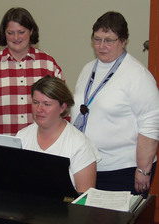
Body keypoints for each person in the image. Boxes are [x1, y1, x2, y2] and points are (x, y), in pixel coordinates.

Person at [71, 11, 159, 196]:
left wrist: (144, 171)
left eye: (109, 40)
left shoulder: (137, 75)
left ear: (123, 41)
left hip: (122, 169)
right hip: (86, 165)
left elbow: (151, 125)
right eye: (97, 39)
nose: (101, 46)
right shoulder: (88, 68)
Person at [0, 7, 63, 136]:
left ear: (31, 31)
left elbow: (62, 110)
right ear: (4, 34)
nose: (16, 38)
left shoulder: (49, 65)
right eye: (10, 33)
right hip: (0, 148)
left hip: (40, 147)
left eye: (21, 32)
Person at [16, 76, 100, 193]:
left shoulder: (79, 144)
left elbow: (84, 200)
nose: (39, 109)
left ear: (63, 107)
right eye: (35, 102)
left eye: (47, 104)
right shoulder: (22, 136)